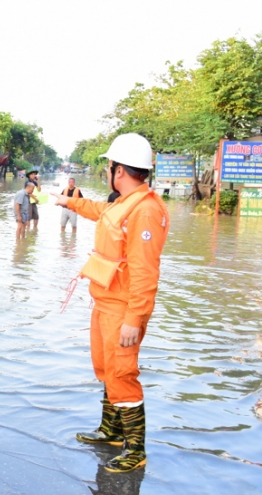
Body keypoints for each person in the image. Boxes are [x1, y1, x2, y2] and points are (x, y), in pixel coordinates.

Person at [52, 133, 169, 473]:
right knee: (106, 369)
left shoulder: (145, 211)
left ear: (118, 170)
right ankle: (111, 430)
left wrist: (135, 317)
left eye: (109, 166)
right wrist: (68, 201)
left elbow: (146, 272)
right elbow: (100, 210)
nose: (108, 171)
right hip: (105, 301)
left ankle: (135, 449)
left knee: (122, 373)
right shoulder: (124, 203)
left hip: (123, 308)